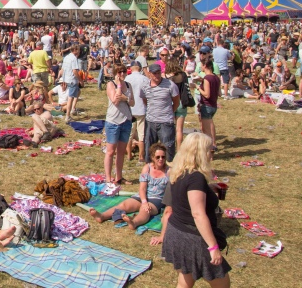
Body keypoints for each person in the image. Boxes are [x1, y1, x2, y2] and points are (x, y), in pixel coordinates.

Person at [162, 133, 231, 287]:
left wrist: (208, 188)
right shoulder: (196, 178)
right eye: (210, 150)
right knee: (222, 282)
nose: (211, 154)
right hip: (192, 239)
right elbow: (198, 214)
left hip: (176, 232)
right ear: (200, 152)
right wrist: (213, 247)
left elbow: (185, 193)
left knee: (185, 280)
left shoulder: (178, 171)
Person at [89, 144, 169, 229]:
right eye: (158, 157)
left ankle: (134, 222)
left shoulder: (169, 171)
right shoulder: (147, 168)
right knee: (124, 205)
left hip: (156, 199)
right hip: (142, 196)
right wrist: (144, 201)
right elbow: (142, 188)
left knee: (145, 210)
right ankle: (102, 216)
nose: (161, 159)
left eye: (163, 157)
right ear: (153, 157)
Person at [141, 63, 180, 162]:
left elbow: (176, 101)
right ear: (149, 74)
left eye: (158, 73)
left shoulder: (170, 85)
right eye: (154, 74)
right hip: (150, 121)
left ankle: (169, 171)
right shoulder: (145, 86)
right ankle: (150, 170)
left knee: (168, 148)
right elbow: (145, 100)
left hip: (165, 121)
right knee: (149, 148)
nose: (156, 76)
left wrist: (169, 111)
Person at [104, 64, 135, 185]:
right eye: (119, 72)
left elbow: (132, 102)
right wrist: (119, 86)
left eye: (124, 72)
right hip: (113, 121)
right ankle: (108, 177)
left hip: (126, 120)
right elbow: (115, 101)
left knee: (121, 151)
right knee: (111, 151)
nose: (122, 74)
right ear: (115, 73)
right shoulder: (111, 84)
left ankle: (119, 177)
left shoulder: (129, 85)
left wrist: (125, 98)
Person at [126, 61, 149, 162]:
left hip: (130, 108)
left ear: (131, 68)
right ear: (139, 68)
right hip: (141, 108)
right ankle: (141, 156)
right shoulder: (144, 79)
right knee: (141, 133)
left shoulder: (127, 78)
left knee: (129, 133)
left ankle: (129, 154)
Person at [197, 60, 220, 149]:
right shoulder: (216, 78)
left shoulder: (207, 78)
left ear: (205, 66)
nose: (200, 67)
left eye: (201, 65)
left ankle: (210, 149)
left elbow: (207, 94)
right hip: (214, 106)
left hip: (206, 105)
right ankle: (213, 145)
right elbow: (219, 93)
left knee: (206, 131)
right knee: (210, 126)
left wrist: (198, 88)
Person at [61, 45, 81, 123]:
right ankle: (68, 116)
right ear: (75, 50)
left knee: (78, 92)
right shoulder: (74, 58)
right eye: (78, 49)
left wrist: (61, 78)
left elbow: (62, 69)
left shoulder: (66, 57)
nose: (79, 51)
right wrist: (80, 80)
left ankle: (73, 109)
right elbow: (75, 71)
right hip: (72, 80)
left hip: (67, 79)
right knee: (70, 98)